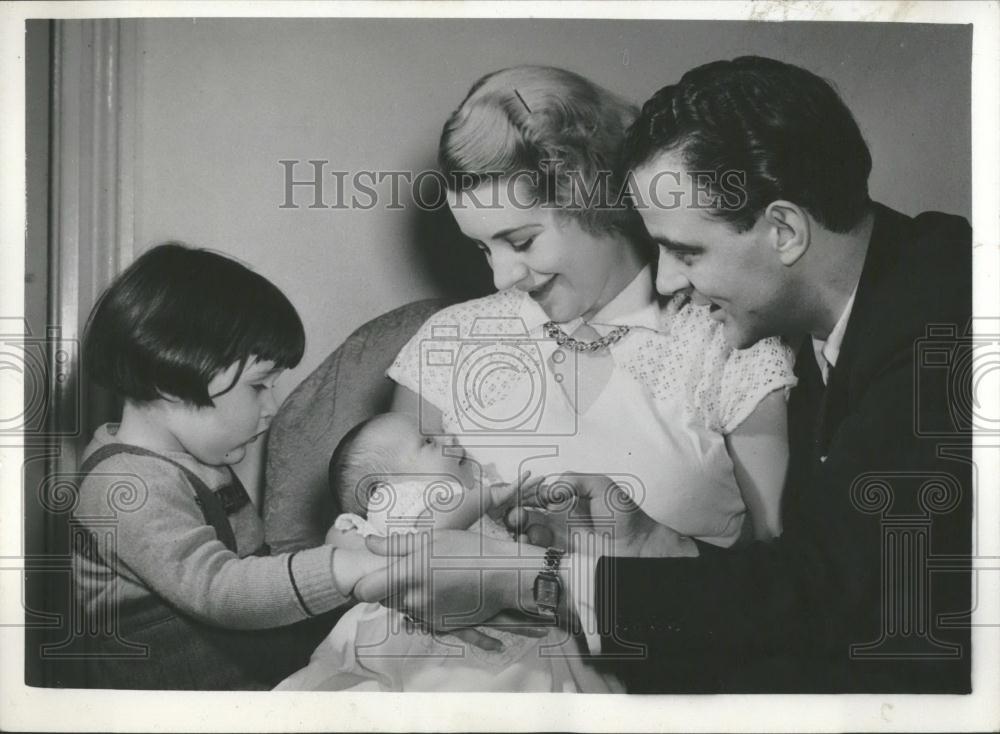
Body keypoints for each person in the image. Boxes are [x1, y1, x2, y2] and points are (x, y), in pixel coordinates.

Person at [354, 56, 972, 694]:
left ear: (785, 230)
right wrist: (653, 541)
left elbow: (821, 599)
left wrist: (527, 578)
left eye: (685, 250)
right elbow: (809, 587)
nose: (669, 280)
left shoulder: (945, 315)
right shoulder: (860, 315)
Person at [71, 243, 380, 689]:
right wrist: (340, 568)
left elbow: (254, 576)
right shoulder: (124, 486)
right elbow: (221, 590)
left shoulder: (194, 460)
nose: (272, 406)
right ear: (172, 380)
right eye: (259, 387)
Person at [277, 411, 623, 692]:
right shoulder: (398, 506)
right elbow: (432, 532)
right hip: (430, 640)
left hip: (507, 622)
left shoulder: (474, 492)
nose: (449, 439)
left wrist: (520, 533)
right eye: (429, 441)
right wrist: (487, 498)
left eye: (442, 432)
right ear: (379, 493)